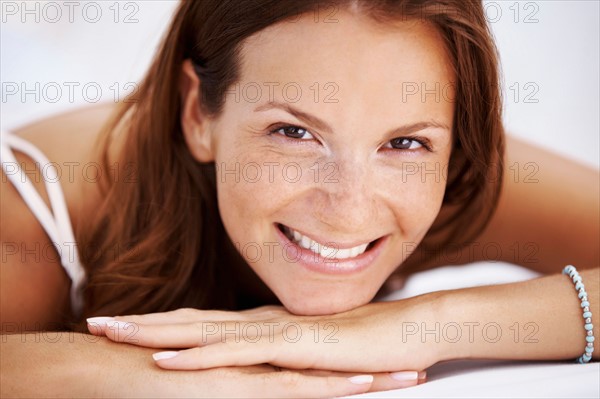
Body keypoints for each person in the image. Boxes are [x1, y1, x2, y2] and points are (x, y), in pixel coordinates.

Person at [1, 0, 598, 397]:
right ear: (197, 113)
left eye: (405, 141)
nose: (349, 206)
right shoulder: (31, 216)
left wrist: (421, 324)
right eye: (294, 133)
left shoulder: (457, 177)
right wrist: (175, 374)